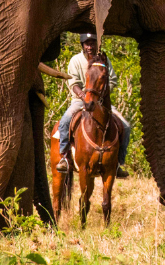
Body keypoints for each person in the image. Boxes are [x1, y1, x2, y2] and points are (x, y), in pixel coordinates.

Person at [55, 32, 131, 178]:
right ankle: (64, 157)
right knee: (64, 122)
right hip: (79, 101)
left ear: (97, 44)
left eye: (92, 43)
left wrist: (101, 94)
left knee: (126, 126)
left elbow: (113, 80)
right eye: (87, 43)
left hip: (101, 102)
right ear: (82, 45)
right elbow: (73, 83)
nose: (90, 46)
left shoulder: (104, 60)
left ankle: (118, 163)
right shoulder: (75, 60)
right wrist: (85, 96)